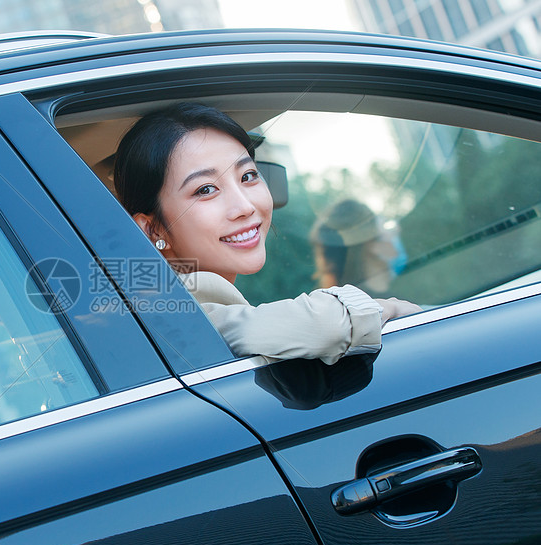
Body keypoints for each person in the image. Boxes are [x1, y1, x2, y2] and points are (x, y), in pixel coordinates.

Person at [114, 102, 420, 365]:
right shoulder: (166, 309)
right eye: (206, 189)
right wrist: (393, 308)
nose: (245, 206)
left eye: (248, 176)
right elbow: (326, 325)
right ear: (152, 228)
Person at [310, 199, 408, 294]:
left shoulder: (336, 306)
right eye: (387, 227)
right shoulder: (403, 308)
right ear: (372, 245)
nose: (398, 230)